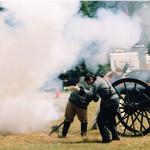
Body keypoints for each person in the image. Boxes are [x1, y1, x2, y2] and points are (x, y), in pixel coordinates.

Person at [60, 73, 99, 138]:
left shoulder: (81, 82)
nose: (93, 81)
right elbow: (96, 99)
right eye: (92, 80)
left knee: (68, 119)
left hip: (71, 102)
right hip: (81, 104)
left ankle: (63, 135)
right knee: (84, 121)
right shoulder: (91, 87)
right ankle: (83, 136)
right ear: (89, 80)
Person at [84, 75, 120, 143]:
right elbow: (96, 97)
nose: (88, 84)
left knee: (101, 120)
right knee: (111, 119)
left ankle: (106, 139)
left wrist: (83, 91)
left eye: (88, 82)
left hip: (110, 101)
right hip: (115, 100)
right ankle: (115, 137)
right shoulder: (101, 79)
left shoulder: (96, 83)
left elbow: (91, 93)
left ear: (91, 79)